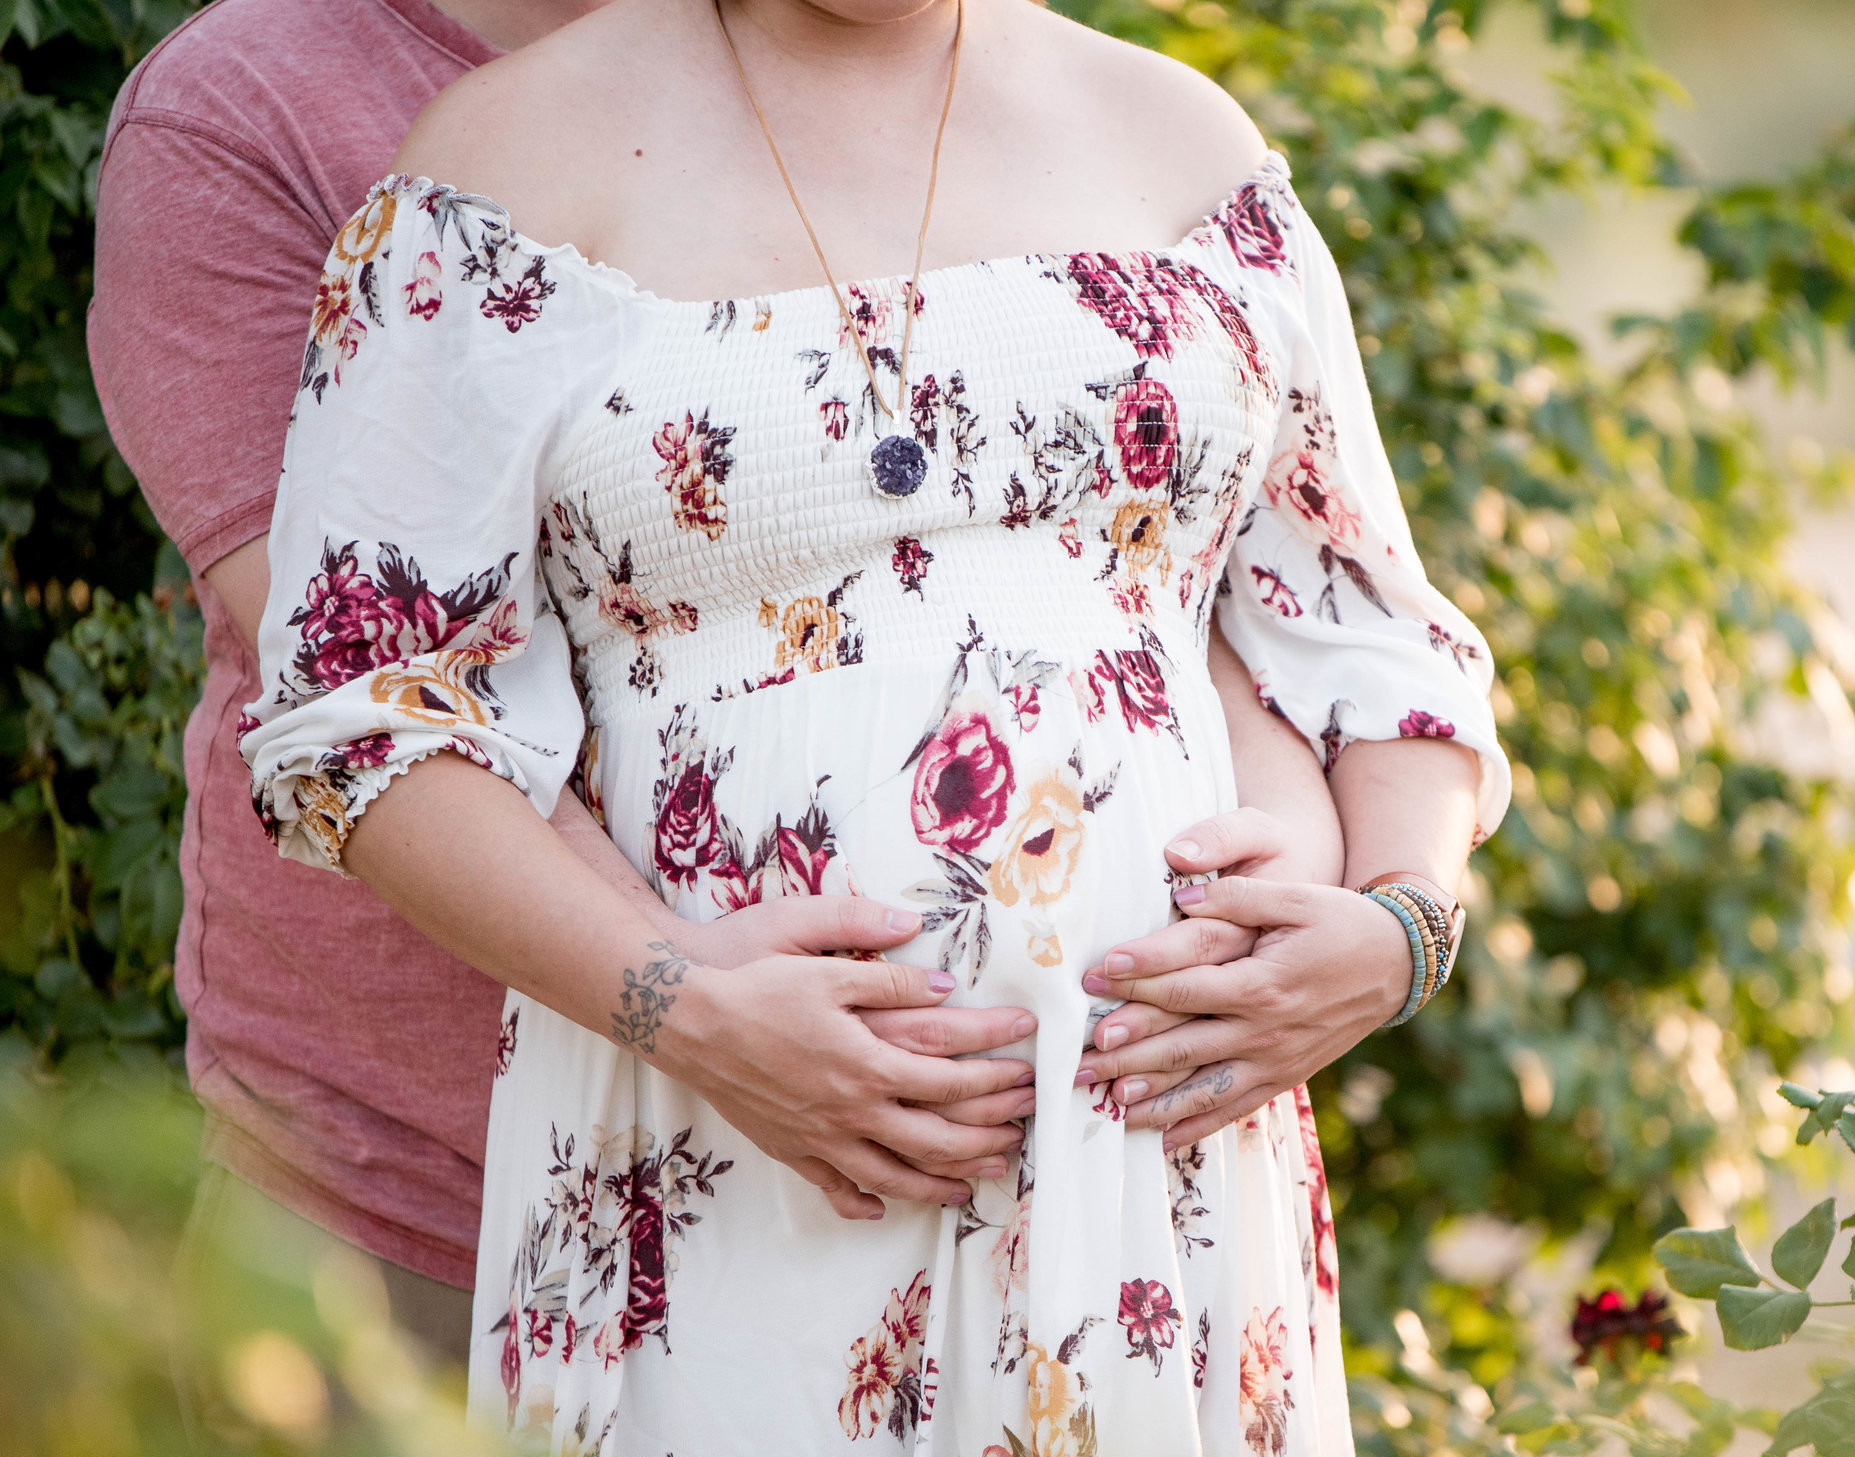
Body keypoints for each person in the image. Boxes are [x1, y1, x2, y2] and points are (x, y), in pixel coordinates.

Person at [238, 0, 1508, 1457]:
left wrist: (1398, 922)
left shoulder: (1184, 150)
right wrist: (681, 1004)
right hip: (724, 1154)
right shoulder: (500, 178)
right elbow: (363, 718)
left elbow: (1373, 642)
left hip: (1149, 1179)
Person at [86, 0, 1349, 1369]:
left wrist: (1349, 914)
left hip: (1069, 1213)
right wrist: (692, 1013)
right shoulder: (270, 113)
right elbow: (364, 688)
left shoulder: (977, 91)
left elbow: (1207, 605)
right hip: (423, 1193)